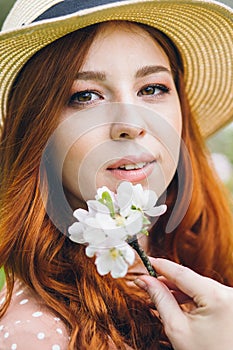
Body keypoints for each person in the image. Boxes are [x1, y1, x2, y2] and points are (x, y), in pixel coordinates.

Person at [0, 0, 233, 349]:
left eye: (152, 89)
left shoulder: (211, 255)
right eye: (86, 96)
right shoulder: (37, 335)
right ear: (38, 132)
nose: (131, 125)